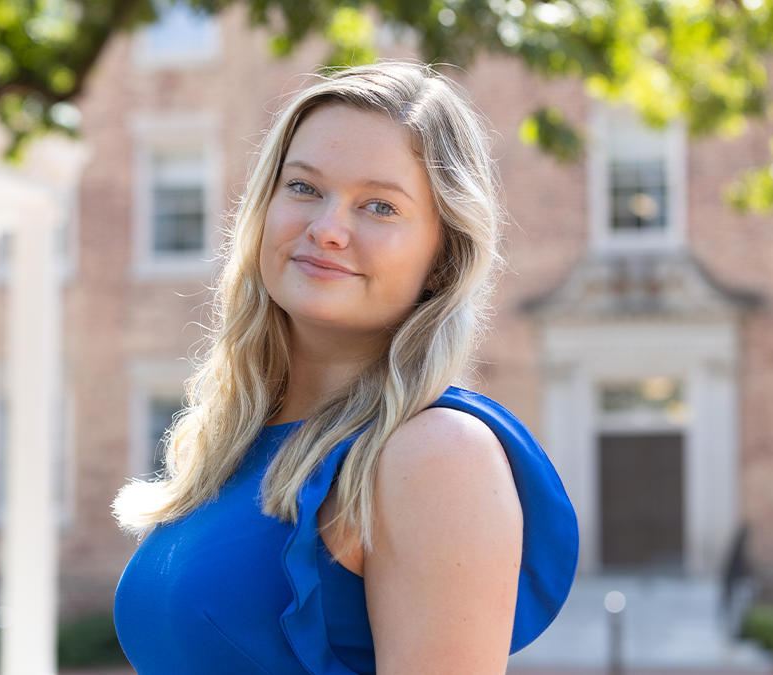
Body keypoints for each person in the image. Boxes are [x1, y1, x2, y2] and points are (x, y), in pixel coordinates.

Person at [112, 61, 578, 675]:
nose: (327, 229)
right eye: (303, 188)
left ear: (442, 258)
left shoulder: (437, 455)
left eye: (380, 206)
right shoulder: (235, 443)